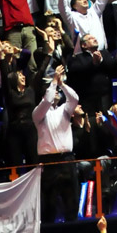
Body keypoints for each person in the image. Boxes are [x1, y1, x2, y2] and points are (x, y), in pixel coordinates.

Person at [32, 66, 80, 222]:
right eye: (54, 91)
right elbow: (47, 101)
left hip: (67, 159)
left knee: (71, 203)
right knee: (49, 206)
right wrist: (53, 81)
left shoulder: (64, 110)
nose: (57, 92)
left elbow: (74, 99)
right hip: (48, 163)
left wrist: (62, 84)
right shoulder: (38, 113)